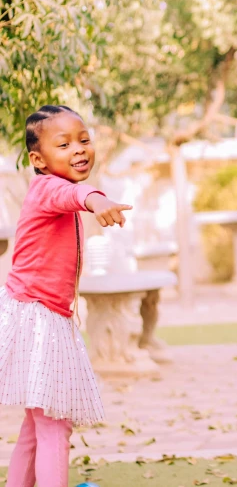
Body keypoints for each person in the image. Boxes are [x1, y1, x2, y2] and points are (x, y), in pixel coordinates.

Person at [1, 105, 132, 487]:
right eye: (64, 144)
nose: (78, 149)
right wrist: (99, 200)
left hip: (39, 315)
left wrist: (92, 199)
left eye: (84, 140)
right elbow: (75, 193)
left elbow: (75, 194)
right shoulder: (48, 188)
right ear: (38, 160)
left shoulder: (53, 190)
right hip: (35, 318)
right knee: (55, 423)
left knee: (36, 423)